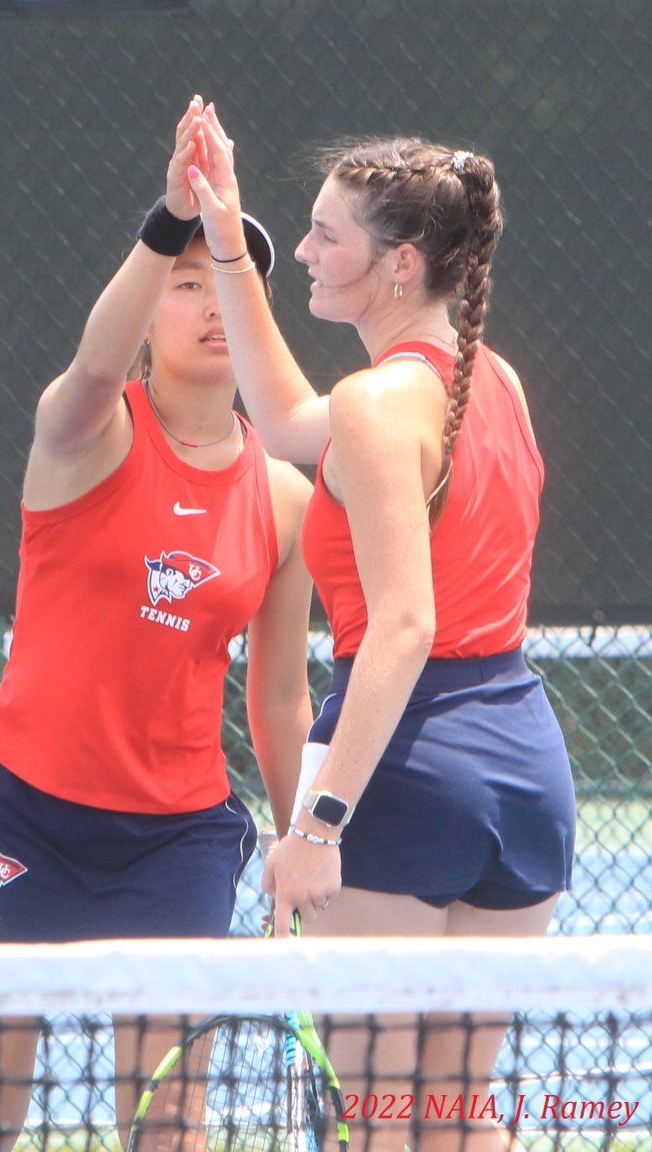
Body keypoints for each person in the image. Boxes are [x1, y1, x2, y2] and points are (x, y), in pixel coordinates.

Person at [0, 95, 314, 1151]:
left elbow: (277, 693)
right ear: (146, 307)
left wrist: (295, 838)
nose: (212, 303)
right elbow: (91, 369)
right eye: (185, 284)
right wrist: (169, 214)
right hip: (22, 809)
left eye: (228, 281)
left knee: (170, 1117)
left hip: (175, 836)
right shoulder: (82, 433)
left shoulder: (283, 498)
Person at [188, 103, 576, 1152]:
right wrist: (227, 236)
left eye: (324, 237)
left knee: (382, 1126)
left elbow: (404, 628)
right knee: (452, 1118)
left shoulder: (375, 409)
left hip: (405, 772)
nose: (302, 252)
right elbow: (280, 419)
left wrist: (314, 826)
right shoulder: (490, 384)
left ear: (397, 265)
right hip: (521, 777)